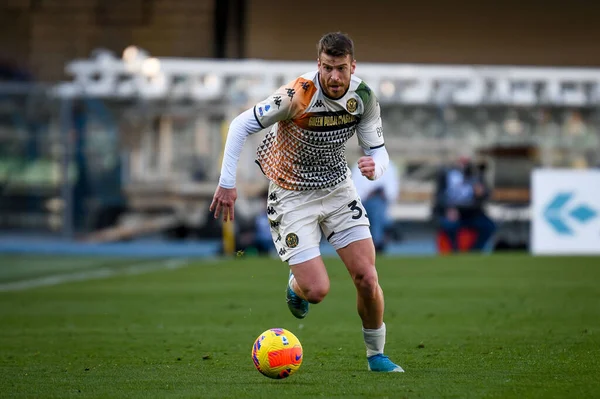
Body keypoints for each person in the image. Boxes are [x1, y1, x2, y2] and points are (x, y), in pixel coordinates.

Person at [210, 32, 404, 373]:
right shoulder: (297, 94)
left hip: (337, 189)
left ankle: (376, 355)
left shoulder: (364, 97)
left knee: (367, 277)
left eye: (341, 68)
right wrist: (227, 183)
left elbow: (378, 150)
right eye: (327, 68)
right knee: (317, 291)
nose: (334, 77)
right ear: (319, 64)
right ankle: (295, 286)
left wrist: (377, 166)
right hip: (291, 195)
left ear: (352, 66)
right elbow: (241, 125)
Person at [433, 155, 496, 252]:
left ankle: (475, 251)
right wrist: (448, 208)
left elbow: (486, 195)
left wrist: (481, 193)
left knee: (489, 226)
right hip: (453, 212)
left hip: (473, 212)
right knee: (449, 225)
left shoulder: (476, 175)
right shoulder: (446, 174)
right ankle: (455, 251)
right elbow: (439, 196)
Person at [351, 158, 400, 253]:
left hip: (379, 200)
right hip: (364, 201)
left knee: (376, 215)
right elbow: (355, 187)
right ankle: (380, 239)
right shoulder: (357, 166)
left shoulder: (388, 165)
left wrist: (383, 193)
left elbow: (391, 187)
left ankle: (377, 242)